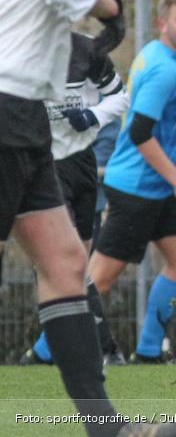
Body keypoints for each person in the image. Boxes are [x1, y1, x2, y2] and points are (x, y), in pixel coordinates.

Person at [0, 0, 176, 435]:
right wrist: (111, 6)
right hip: (8, 98)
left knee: (64, 262)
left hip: (25, 113)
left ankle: (107, 429)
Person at [88, 0, 176, 364]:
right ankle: (43, 353)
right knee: (98, 279)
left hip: (154, 187)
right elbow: (140, 133)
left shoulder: (159, 55)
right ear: (162, 23)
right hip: (136, 187)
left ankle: (149, 352)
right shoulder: (164, 70)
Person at [21, 28, 130, 367]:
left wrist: (92, 116)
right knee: (63, 260)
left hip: (82, 164)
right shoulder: (15, 47)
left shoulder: (86, 49)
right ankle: (105, 349)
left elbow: (120, 97)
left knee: (76, 265)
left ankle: (44, 354)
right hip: (40, 167)